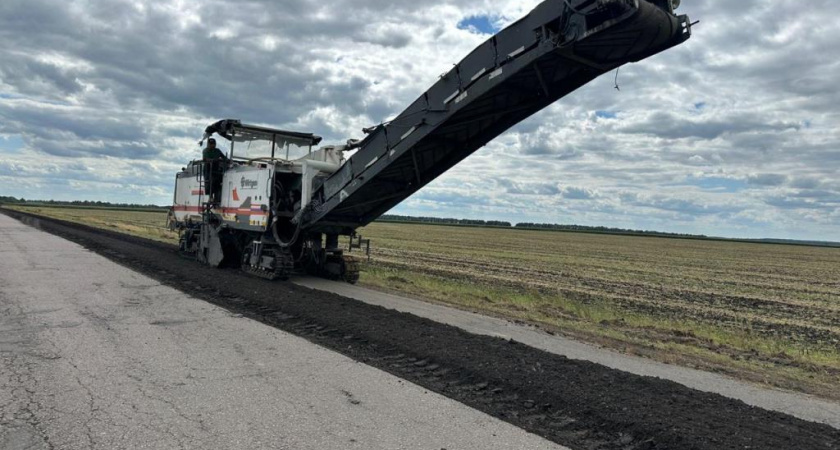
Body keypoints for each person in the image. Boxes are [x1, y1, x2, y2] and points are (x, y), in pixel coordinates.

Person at [202, 138, 227, 203]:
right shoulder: (205, 151)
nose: (212, 145)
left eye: (213, 144)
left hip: (216, 168)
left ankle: (216, 197)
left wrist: (227, 160)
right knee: (209, 182)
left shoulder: (217, 151)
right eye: (211, 144)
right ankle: (210, 197)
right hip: (208, 168)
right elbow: (205, 159)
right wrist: (212, 160)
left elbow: (223, 157)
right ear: (208, 144)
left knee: (217, 182)